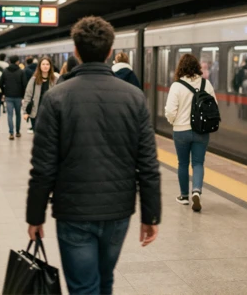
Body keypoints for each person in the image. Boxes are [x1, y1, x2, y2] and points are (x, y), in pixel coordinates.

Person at [26, 16, 161, 295]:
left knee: (83, 287)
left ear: (76, 52)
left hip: (73, 211)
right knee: (105, 279)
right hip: (118, 211)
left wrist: (34, 215)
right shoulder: (134, 97)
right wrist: (151, 215)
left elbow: (43, 166)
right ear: (110, 52)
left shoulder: (56, 97)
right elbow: (148, 164)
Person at [165, 54, 217, 211]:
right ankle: (196, 191)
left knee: (182, 163)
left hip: (181, 131)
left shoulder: (176, 86)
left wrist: (173, 122)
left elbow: (170, 111)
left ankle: (184, 196)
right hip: (201, 131)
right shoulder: (206, 84)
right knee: (198, 163)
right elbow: (214, 106)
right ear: (197, 67)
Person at [22, 57, 57, 133]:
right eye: (43, 64)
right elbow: (28, 95)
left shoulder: (55, 80)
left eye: (47, 64)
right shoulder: (34, 80)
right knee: (37, 135)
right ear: (39, 66)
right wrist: (25, 112)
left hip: (50, 113)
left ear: (50, 66)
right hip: (35, 113)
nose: (45, 66)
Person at [0, 55, 27, 140]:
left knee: (10, 115)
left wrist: (4, 92)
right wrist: (23, 95)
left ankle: (11, 133)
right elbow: (24, 84)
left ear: (10, 61)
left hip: (8, 96)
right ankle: (18, 132)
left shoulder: (5, 71)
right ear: (17, 62)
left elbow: (1, 83)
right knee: (18, 114)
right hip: (18, 96)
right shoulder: (21, 72)